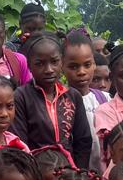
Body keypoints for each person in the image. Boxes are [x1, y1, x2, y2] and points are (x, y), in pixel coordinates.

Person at [12, 33, 92, 168]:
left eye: (54, 62)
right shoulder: (21, 97)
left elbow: (83, 140)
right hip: (36, 172)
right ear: (30, 66)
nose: (48, 70)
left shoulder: (72, 96)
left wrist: (79, 173)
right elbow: (19, 143)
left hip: (69, 171)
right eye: (40, 64)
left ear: (62, 62)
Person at [62, 30, 105, 170]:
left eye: (87, 65)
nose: (81, 72)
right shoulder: (59, 102)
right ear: (62, 67)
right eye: (73, 66)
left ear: (94, 65)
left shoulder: (105, 99)